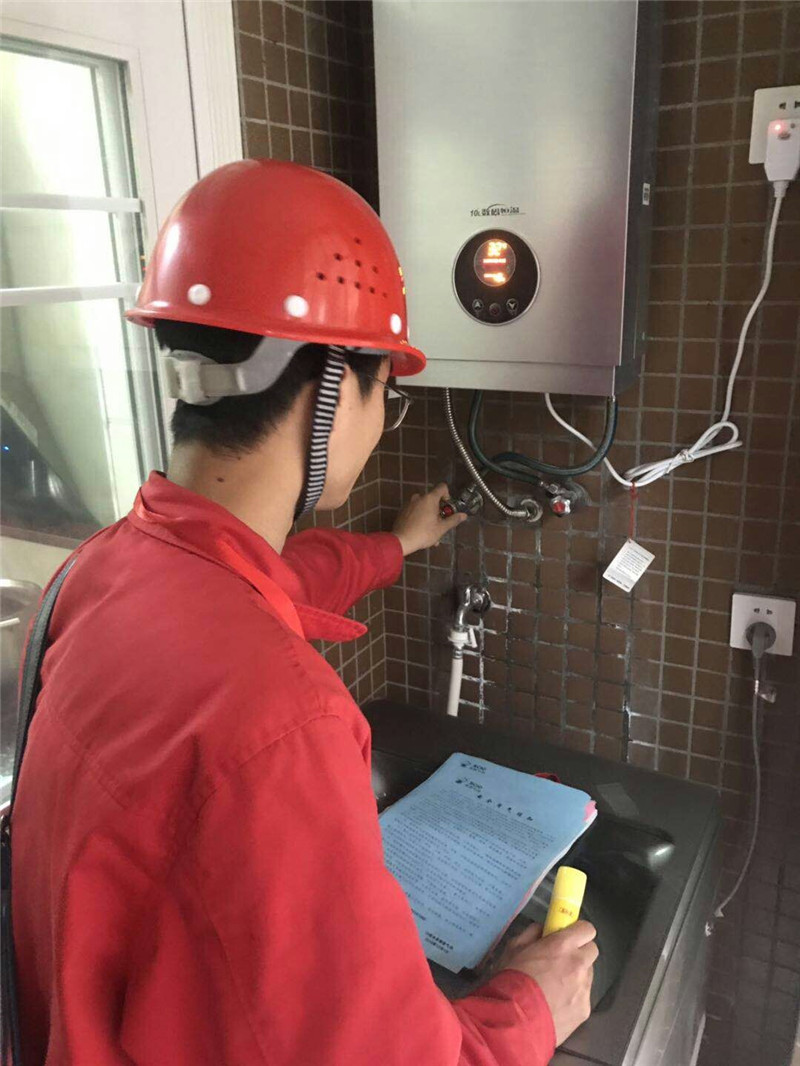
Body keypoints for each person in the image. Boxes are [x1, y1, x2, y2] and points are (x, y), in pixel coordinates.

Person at [10, 160, 596, 1065]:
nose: (381, 415)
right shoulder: (280, 728)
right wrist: (534, 1006)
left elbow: (265, 583)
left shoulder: (102, 571)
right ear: (332, 386)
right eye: (385, 389)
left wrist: (395, 546)